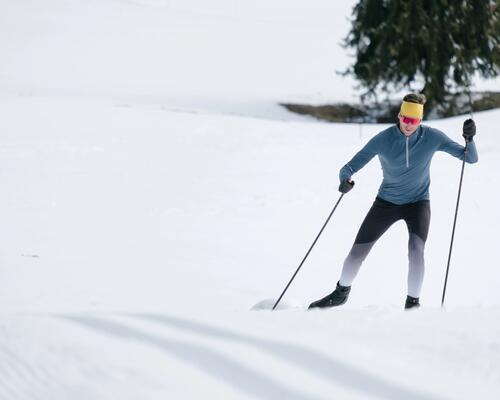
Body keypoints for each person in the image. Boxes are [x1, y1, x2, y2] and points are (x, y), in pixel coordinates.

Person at [309, 93, 478, 310]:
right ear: (399, 116)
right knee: (357, 253)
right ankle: (341, 293)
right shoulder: (383, 139)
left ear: (420, 121)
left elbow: (470, 158)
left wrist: (470, 140)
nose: (409, 125)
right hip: (386, 203)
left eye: (414, 121)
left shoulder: (432, 137)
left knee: (416, 249)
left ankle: (412, 303)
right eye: (405, 119)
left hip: (418, 203)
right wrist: (345, 180)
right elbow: (348, 167)